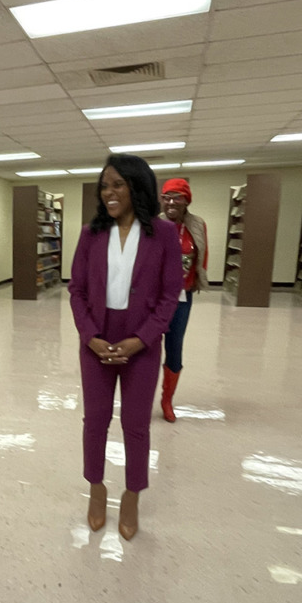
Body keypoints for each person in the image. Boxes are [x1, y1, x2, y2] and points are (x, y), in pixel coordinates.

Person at [69, 154, 183, 539]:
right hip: (97, 339)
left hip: (142, 342)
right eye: (105, 186)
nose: (110, 193)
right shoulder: (90, 233)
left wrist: (141, 340)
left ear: (137, 187)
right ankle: (97, 490)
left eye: (118, 184)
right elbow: (78, 290)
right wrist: (90, 337)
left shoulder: (163, 234)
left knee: (136, 425)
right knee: (95, 421)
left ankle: (132, 495)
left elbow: (170, 295)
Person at [158, 178, 210, 423]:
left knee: (175, 348)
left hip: (182, 296)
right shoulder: (153, 225)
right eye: (166, 197)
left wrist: (193, 280)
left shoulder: (197, 225)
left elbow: (202, 255)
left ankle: (167, 400)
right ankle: (142, 395)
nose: (170, 203)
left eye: (177, 197)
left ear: (186, 200)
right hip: (154, 298)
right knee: (146, 347)